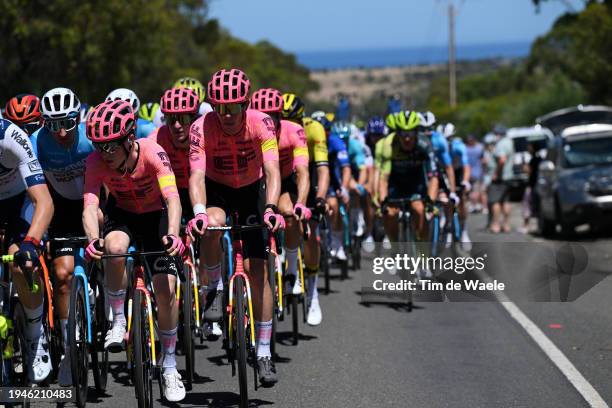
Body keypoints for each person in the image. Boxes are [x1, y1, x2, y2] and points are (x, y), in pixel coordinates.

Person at [82, 100, 186, 401]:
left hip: (156, 217)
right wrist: (92, 239)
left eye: (111, 147)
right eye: (99, 147)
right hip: (124, 214)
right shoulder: (94, 162)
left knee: (166, 289)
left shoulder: (154, 153)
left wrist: (173, 234)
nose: (105, 154)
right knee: (113, 247)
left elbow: (173, 199)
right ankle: (117, 319)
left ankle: (169, 366)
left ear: (129, 139)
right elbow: (90, 206)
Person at [187, 68, 283, 386]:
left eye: (234, 107)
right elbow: (196, 176)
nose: (227, 114)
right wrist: (199, 212)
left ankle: (265, 351)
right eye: (220, 107)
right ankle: (213, 287)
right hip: (218, 191)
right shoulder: (201, 127)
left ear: (246, 103)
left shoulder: (261, 123)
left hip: (253, 192)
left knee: (259, 273)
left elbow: (271, 169)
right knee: (212, 224)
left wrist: (270, 208)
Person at [32, 87, 93, 386]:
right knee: (62, 274)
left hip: (93, 203)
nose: (60, 131)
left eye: (67, 122)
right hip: (60, 210)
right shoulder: (38, 143)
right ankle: (70, 349)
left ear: (78, 118)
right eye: (53, 124)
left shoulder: (91, 138)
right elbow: (31, 192)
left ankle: (102, 289)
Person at [0, 118, 54, 383]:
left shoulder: (11, 135)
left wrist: (31, 244)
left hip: (21, 201)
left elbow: (43, 201)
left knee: (22, 264)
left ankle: (35, 335)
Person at [282, 93, 329, 325]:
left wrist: (320, 199)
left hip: (306, 178)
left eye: (294, 119)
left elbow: (322, 169)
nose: (289, 125)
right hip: (284, 180)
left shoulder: (313, 129)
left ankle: (312, 290)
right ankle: (284, 262)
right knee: (287, 217)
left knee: (311, 234)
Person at [375, 110, 437, 277]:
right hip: (395, 183)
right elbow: (383, 178)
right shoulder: (389, 145)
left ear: (416, 133)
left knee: (419, 210)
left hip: (416, 184)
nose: (407, 138)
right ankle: (395, 250)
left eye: (411, 134)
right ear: (398, 133)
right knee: (390, 213)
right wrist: (383, 201)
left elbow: (433, 177)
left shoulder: (425, 144)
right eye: (403, 134)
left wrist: (430, 200)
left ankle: (423, 259)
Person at [488, 125, 515, 233]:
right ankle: (506, 224)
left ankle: (496, 224)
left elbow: (502, 160)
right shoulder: (509, 142)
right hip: (508, 176)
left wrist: (496, 173)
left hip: (500, 178)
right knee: (505, 201)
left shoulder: (501, 144)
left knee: (496, 201)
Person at [520, 142, 542, 234]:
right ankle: (538, 226)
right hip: (537, 185)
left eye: (529, 147)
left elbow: (528, 171)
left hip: (532, 185)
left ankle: (526, 225)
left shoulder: (534, 159)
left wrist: (523, 164)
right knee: (536, 205)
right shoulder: (539, 158)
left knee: (527, 204)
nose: (528, 149)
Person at [466, 135, 485, 213]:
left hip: (467, 173)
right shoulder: (479, 148)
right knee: (476, 190)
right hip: (477, 172)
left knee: (470, 190)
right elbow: (483, 160)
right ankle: (475, 204)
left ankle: (473, 204)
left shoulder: (465, 149)